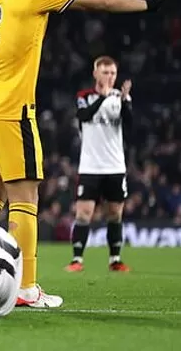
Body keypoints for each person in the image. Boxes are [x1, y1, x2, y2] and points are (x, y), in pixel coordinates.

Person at [0, 0, 174, 307]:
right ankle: (26, 288)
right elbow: (101, 3)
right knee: (25, 200)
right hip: (10, 111)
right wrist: (148, 4)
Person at [66, 57, 132, 272]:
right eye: (105, 72)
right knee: (83, 213)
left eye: (113, 73)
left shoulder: (119, 98)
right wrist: (102, 98)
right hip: (90, 167)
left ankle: (115, 259)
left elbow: (130, 125)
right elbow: (84, 116)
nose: (110, 77)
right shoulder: (84, 97)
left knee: (115, 214)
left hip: (115, 166)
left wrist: (126, 101)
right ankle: (77, 260)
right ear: (96, 74)